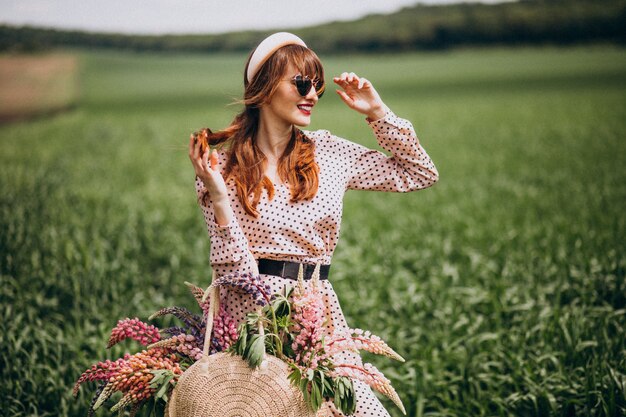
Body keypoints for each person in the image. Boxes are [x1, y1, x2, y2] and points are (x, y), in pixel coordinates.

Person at [188, 32, 438, 417]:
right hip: (250, 323)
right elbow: (231, 270)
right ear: (265, 88)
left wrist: (377, 112)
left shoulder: (331, 152)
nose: (313, 94)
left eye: (317, 85)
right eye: (302, 83)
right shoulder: (221, 167)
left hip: (318, 315)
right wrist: (220, 197)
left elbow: (419, 172)